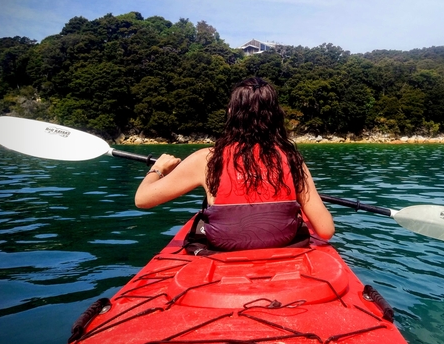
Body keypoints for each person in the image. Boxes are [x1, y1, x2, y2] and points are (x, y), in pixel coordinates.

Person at [135, 77, 334, 251]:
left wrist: (158, 169)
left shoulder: (206, 160)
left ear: (232, 113)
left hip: (222, 249)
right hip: (282, 244)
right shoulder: (292, 159)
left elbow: (142, 199)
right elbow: (325, 230)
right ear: (275, 115)